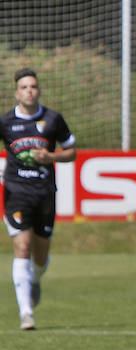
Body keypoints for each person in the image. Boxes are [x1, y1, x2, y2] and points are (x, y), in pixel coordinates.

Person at [1, 68, 76, 330]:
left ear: (38, 90)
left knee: (41, 255)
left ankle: (36, 278)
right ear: (16, 92)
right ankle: (26, 313)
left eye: (33, 86)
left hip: (44, 193)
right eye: (24, 87)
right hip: (16, 193)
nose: (29, 91)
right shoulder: (6, 122)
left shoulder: (53, 119)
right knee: (22, 246)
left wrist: (51, 157)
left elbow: (72, 152)